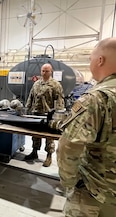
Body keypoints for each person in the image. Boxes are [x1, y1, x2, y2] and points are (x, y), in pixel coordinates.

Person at [56, 37, 116, 217]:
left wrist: (69, 182)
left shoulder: (96, 99)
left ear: (100, 60)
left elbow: (69, 146)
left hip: (96, 196)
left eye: (90, 58)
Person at [24, 63, 64, 167]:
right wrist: (27, 108)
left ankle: (49, 155)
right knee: (35, 135)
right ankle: (34, 152)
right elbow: (31, 96)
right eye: (43, 71)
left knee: (49, 136)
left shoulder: (55, 85)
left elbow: (59, 100)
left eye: (47, 71)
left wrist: (58, 115)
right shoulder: (36, 83)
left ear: (51, 72)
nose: (44, 73)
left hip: (48, 114)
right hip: (36, 113)